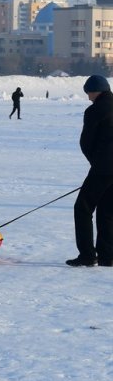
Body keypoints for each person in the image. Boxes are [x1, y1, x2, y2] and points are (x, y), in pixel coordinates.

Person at [67, 75, 113, 267]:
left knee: (83, 208)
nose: (88, 98)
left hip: (103, 167)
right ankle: (107, 255)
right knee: (107, 210)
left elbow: (86, 142)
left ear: (97, 91)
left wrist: (97, 164)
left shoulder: (95, 111)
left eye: (89, 93)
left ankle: (87, 254)